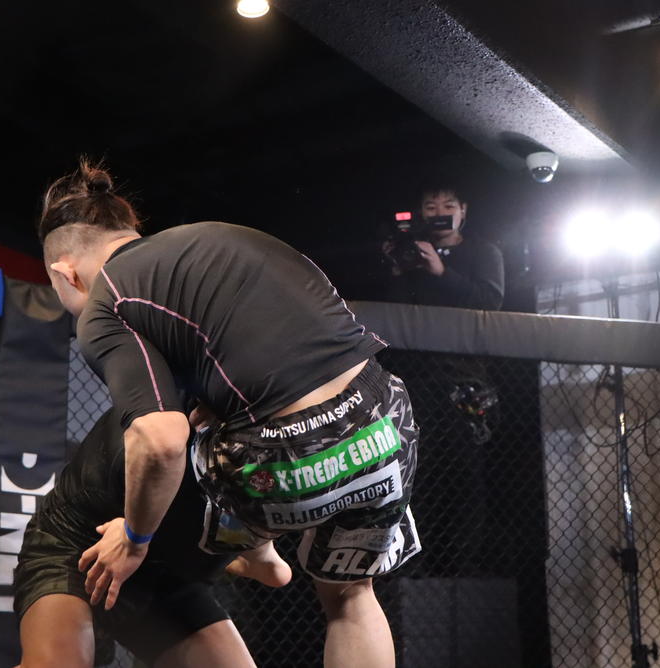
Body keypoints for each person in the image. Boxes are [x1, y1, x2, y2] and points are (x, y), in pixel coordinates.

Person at [38, 160, 421, 668]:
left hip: (280, 464)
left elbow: (160, 439)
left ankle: (252, 545)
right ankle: (260, 547)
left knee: (179, 436)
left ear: (64, 272)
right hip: (385, 422)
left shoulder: (106, 301)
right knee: (352, 596)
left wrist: (133, 539)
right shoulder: (213, 238)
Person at [14, 409, 257, 668]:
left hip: (158, 570)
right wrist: (134, 535)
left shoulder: (265, 450)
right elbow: (161, 450)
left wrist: (259, 555)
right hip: (76, 544)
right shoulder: (164, 411)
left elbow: (265, 561)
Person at [382, 180, 504, 310]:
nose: (440, 214)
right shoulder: (413, 250)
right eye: (431, 208)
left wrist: (442, 272)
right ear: (421, 212)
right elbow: (398, 310)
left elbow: (491, 303)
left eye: (449, 206)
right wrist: (398, 267)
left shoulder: (484, 251)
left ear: (463, 210)